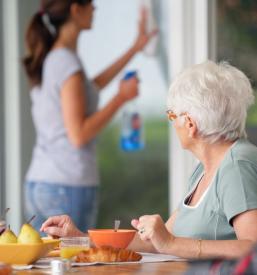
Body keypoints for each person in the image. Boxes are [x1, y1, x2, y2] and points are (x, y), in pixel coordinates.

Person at [40, 60, 257, 259]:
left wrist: (170, 243)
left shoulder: (237, 167)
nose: (171, 123)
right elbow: (160, 241)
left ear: (190, 124)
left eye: (172, 115)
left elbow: (253, 248)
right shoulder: (205, 168)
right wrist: (80, 238)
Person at [23, 0, 156, 232]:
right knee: (76, 263)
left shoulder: (55, 58)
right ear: (76, 9)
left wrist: (135, 48)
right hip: (67, 184)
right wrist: (121, 98)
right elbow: (79, 134)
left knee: (48, 264)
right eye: (91, 4)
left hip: (43, 182)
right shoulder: (67, 62)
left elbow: (89, 87)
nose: (95, 9)